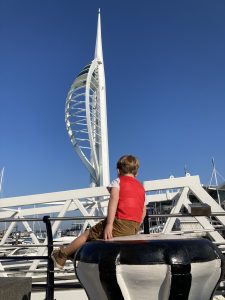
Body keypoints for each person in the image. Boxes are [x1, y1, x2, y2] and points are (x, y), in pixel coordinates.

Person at [51, 154, 146, 269]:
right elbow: (143, 210)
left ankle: (62, 256)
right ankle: (73, 252)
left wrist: (109, 224)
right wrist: (136, 225)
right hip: (134, 226)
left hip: (119, 223)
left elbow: (113, 201)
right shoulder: (140, 187)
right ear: (136, 173)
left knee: (88, 234)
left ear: (118, 170)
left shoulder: (118, 182)